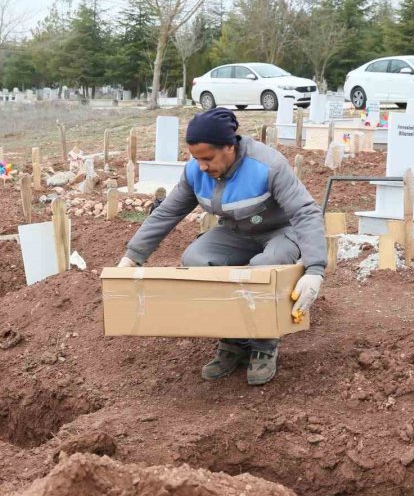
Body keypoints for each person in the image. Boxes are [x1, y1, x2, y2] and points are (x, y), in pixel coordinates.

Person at [117, 108, 326, 386]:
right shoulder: (195, 172)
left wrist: (314, 268)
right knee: (196, 259)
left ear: (230, 146)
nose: (202, 166)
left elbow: (305, 212)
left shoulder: (268, 165)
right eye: (196, 158)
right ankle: (234, 341)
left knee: (262, 269)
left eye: (208, 158)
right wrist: (133, 257)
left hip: (280, 232)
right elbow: (167, 213)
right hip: (235, 233)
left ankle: (264, 344)